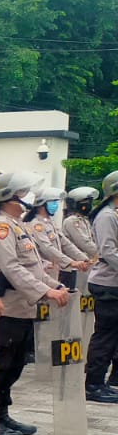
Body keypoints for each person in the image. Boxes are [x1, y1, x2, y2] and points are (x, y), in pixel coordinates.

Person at [0, 171, 72, 435]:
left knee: (15, 365)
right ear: (9, 197)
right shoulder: (0, 227)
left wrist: (54, 285)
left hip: (23, 307)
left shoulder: (19, 226)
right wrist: (44, 291)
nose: (28, 198)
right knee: (1, 365)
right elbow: (11, 268)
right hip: (5, 307)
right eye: (22, 194)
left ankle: (2, 413)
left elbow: (34, 266)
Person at [86, 171, 118, 402]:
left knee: (111, 335)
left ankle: (103, 381)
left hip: (113, 282)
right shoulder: (107, 216)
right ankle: (93, 384)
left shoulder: (112, 214)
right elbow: (109, 251)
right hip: (107, 283)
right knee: (105, 336)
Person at [25, 192, 88, 288]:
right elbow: (47, 248)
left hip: (54, 270)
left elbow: (66, 243)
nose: (56, 205)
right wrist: (71, 262)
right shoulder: (36, 225)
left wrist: (83, 258)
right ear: (42, 204)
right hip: (43, 271)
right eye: (52, 202)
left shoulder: (50, 223)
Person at [61, 186, 100, 262]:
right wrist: (102, 254)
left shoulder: (84, 220)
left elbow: (91, 239)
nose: (90, 206)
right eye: (88, 203)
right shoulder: (71, 221)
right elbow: (83, 242)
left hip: (84, 262)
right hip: (73, 263)